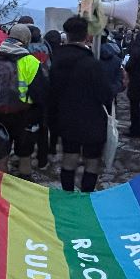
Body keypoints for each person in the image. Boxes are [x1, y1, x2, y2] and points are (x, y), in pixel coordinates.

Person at [50, 15, 113, 192]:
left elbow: (52, 92)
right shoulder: (92, 64)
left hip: (65, 118)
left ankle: (67, 195)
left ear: (67, 35)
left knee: (69, 157)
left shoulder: (56, 61)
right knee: (92, 161)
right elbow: (105, 94)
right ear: (86, 36)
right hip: (92, 119)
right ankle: (86, 196)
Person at [0, 24, 49, 177]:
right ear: (27, 40)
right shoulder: (31, 62)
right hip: (23, 115)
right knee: (25, 156)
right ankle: (23, 187)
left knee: (0, 155)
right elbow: (40, 94)